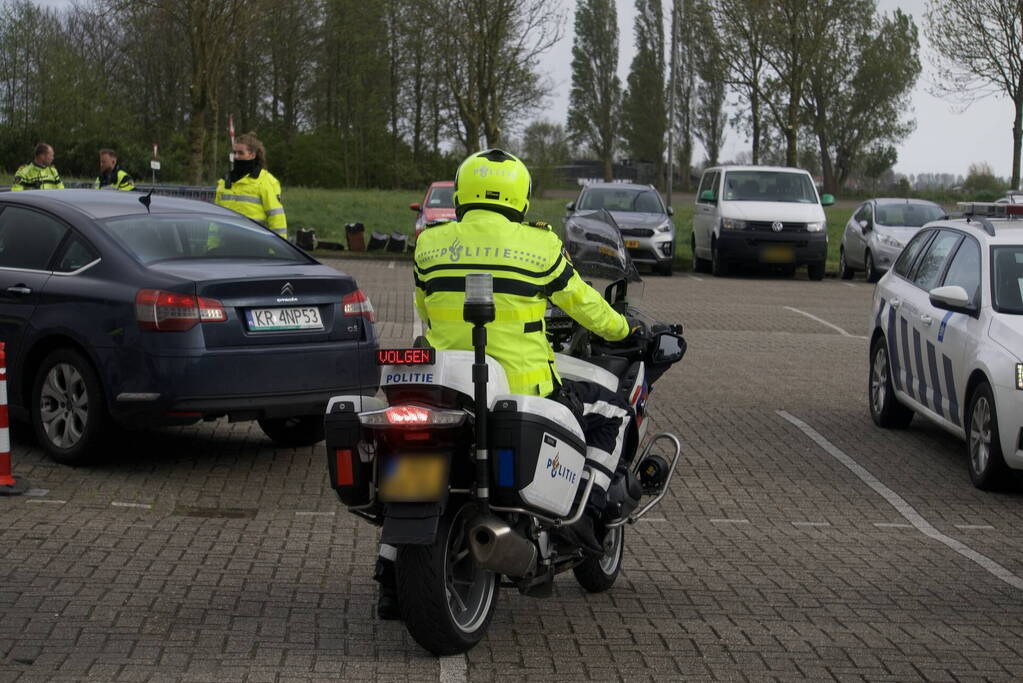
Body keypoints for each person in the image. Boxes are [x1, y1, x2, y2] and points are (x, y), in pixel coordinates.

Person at [374, 148, 642, 619]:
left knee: (416, 463)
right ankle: (590, 512)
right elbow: (584, 304)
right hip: (524, 389)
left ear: (462, 193)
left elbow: (425, 307)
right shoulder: (540, 245)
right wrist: (625, 330)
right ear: (521, 196)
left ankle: (388, 567)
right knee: (614, 413)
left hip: (447, 385)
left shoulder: (429, 244)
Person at [214, 132, 287, 239]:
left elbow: (277, 219)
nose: (236, 156)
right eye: (234, 153)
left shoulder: (266, 181)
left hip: (255, 243)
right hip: (226, 243)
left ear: (252, 155)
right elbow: (216, 219)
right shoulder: (224, 181)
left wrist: (279, 247)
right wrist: (212, 245)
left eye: (241, 153)